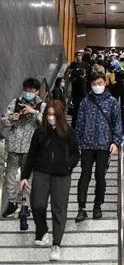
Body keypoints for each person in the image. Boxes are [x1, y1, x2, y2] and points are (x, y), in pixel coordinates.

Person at [19, 100, 79, 261]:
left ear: (60, 116)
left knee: (59, 209)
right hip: (41, 172)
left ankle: (56, 244)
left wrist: (68, 166)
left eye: (54, 115)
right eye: (49, 115)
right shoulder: (39, 132)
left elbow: (75, 154)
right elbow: (31, 155)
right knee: (37, 204)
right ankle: (43, 229)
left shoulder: (69, 133)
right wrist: (24, 176)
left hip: (62, 176)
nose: (51, 117)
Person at [75, 72, 123, 223]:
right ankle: (81, 208)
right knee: (85, 175)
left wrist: (115, 142)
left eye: (99, 83)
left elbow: (117, 124)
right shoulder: (85, 102)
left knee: (100, 175)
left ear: (105, 83)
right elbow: (79, 123)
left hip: (104, 145)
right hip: (87, 144)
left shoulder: (112, 102)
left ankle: (98, 205)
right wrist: (77, 142)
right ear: (90, 85)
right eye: (94, 84)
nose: (97, 86)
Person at [1, 78, 46, 218]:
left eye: (32, 90)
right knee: (10, 176)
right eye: (26, 90)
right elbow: (4, 120)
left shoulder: (41, 105)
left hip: (31, 148)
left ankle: (25, 205)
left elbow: (46, 122)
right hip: (14, 145)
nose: (28, 93)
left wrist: (34, 112)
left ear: (37, 91)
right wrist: (13, 118)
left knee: (28, 178)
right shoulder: (15, 102)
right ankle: (12, 203)